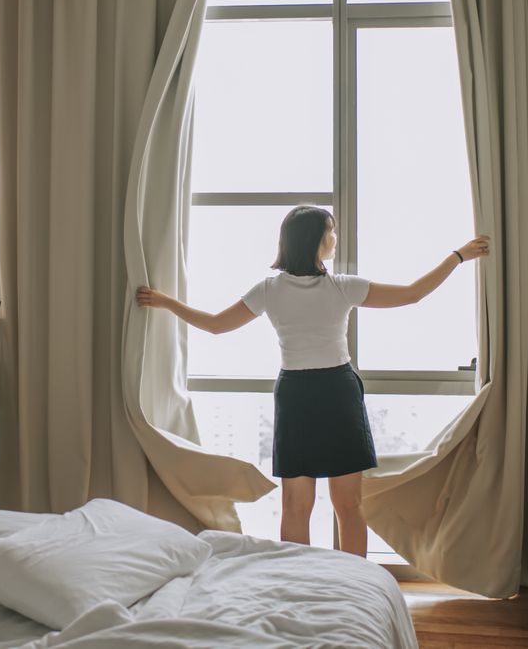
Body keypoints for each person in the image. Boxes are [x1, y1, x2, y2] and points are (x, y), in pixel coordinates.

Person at [136, 205, 490, 557]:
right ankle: (350, 587)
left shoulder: (271, 290)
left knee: (297, 505)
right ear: (315, 241)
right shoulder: (341, 287)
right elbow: (413, 293)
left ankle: (303, 586)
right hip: (336, 391)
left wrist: (168, 303)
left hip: (298, 393)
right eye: (331, 231)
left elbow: (215, 324)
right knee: (347, 504)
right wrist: (457, 257)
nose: (334, 238)